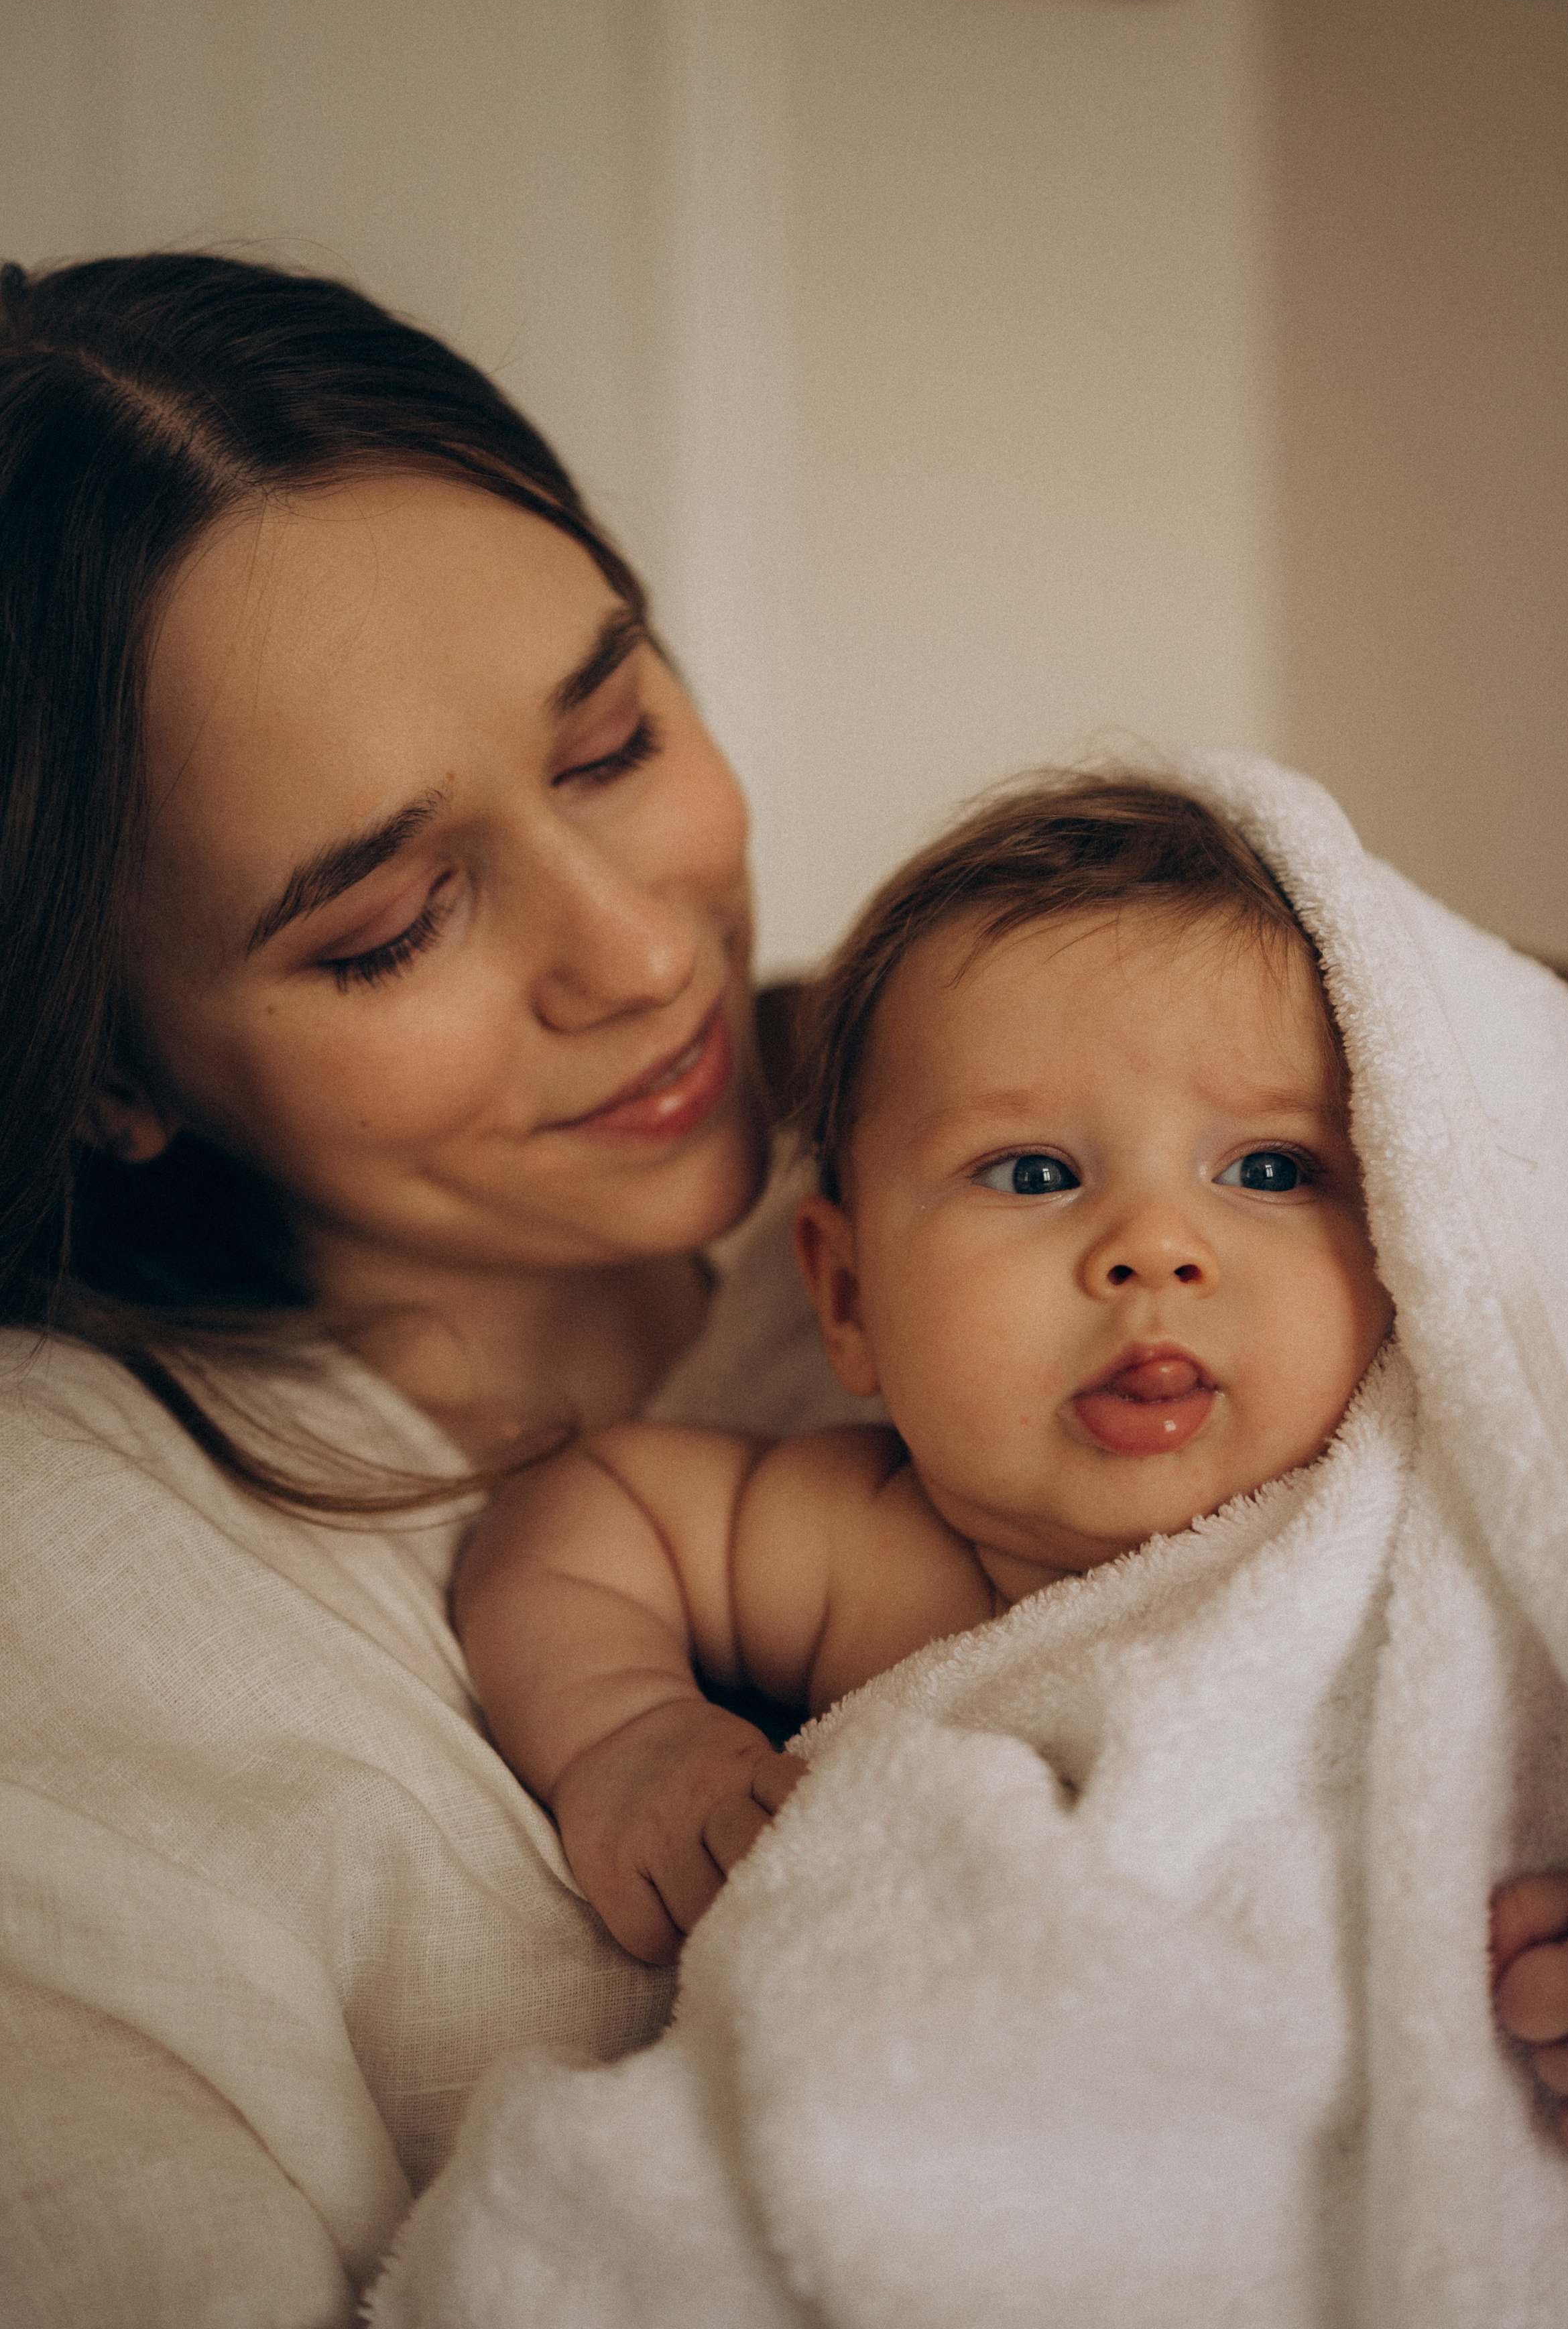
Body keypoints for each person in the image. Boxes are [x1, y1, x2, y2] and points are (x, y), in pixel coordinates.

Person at [456, 773, 1568, 2219]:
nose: (1154, 1248)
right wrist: (623, 1729)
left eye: (1264, 1167)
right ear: (847, 1294)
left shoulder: (1481, 1536)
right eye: (1036, 1170)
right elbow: (578, 1519)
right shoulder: (868, 1542)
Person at [0, 251, 869, 2329]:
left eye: (613, 740)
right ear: (109, 1067)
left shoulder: (1005, 1168)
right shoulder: (77, 1584)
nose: (644, 957)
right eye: (390, 927)